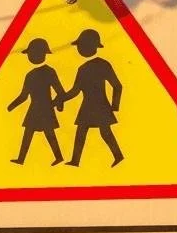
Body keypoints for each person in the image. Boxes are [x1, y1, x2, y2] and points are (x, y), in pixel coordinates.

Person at [63, 29, 124, 167]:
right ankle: (75, 160)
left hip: (100, 106)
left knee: (105, 133)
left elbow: (117, 86)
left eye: (81, 45)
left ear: (91, 46)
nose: (79, 48)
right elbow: (75, 91)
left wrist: (115, 106)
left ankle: (118, 156)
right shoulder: (83, 68)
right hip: (88, 106)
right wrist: (60, 99)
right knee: (82, 133)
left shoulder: (102, 65)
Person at [7, 38, 64, 166]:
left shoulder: (50, 72)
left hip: (46, 109)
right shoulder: (30, 75)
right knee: (28, 133)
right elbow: (23, 96)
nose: (30, 56)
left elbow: (60, 92)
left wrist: (57, 105)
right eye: (29, 54)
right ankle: (21, 159)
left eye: (32, 53)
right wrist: (10, 106)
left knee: (50, 134)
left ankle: (59, 156)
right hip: (34, 109)